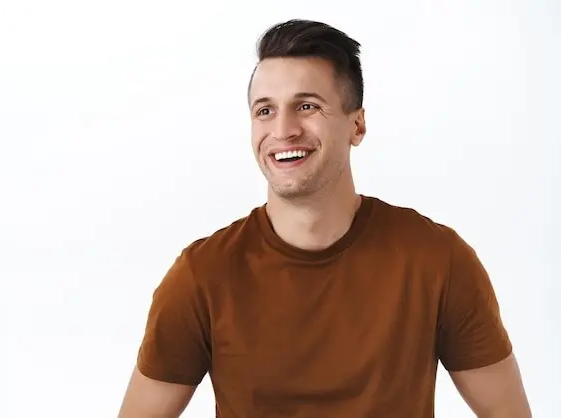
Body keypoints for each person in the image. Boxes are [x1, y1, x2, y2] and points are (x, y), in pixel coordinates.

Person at [118, 19, 531, 418]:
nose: (283, 130)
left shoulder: (437, 261)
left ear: (357, 125)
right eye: (265, 111)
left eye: (307, 106)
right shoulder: (202, 276)